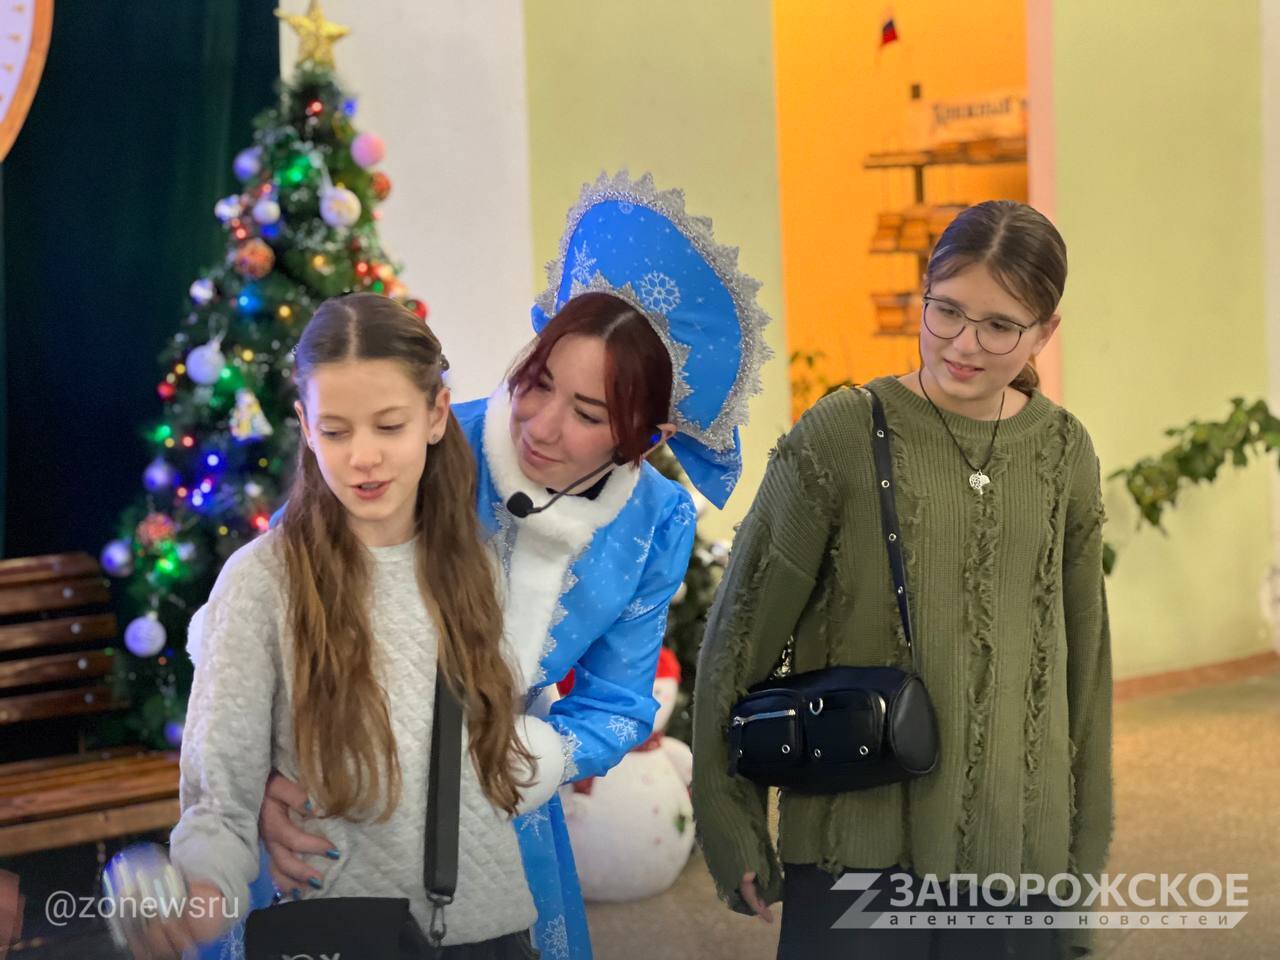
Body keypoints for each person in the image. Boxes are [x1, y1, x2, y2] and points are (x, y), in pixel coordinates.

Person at [220, 171, 774, 960]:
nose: (541, 425)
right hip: (339, 783)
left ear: (644, 438)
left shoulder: (656, 520)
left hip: (500, 805)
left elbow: (619, 703)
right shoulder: (432, 441)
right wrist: (265, 784)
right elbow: (277, 589)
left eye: (588, 413)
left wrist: (528, 762)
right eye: (538, 382)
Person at [691, 200, 1112, 959]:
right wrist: (728, 816)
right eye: (946, 310)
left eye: (999, 326)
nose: (963, 344)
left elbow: (1083, 671)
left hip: (1016, 854)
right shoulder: (842, 432)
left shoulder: (1064, 453)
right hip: (858, 844)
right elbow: (741, 631)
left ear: (1045, 331)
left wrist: (1080, 874)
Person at [145, 295, 541, 959]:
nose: (363, 457)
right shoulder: (261, 581)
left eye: (389, 426)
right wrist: (200, 895)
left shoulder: (478, 566)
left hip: (494, 930)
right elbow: (219, 797)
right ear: (304, 426)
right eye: (335, 431)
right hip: (343, 935)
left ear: (436, 415)